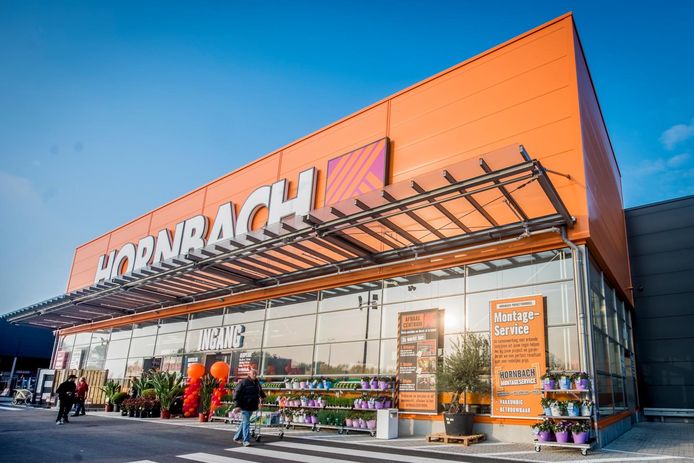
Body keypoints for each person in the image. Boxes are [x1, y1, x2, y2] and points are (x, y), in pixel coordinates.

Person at [232, 368, 265, 447]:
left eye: (256, 373)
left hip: (252, 405)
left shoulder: (257, 382)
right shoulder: (243, 382)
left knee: (244, 422)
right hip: (244, 405)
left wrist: (263, 397)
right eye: (253, 373)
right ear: (249, 374)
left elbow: (260, 391)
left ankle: (236, 437)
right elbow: (236, 394)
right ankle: (246, 441)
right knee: (246, 423)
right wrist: (237, 406)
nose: (255, 375)